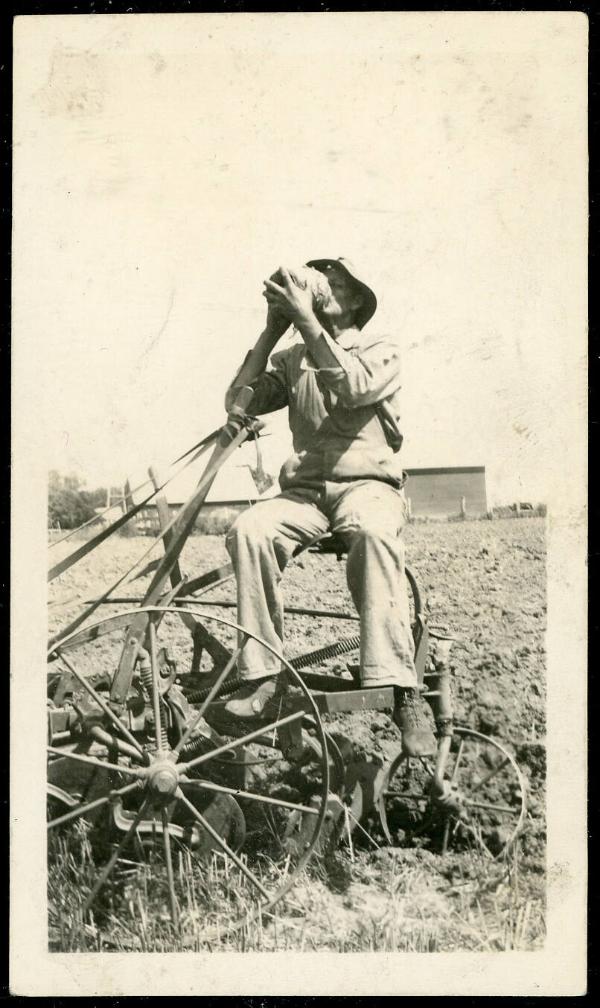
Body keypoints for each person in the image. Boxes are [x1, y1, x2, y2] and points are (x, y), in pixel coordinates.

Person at [211, 258, 435, 756]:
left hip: (367, 485)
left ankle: (401, 689)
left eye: (335, 285)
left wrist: (306, 323)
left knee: (375, 535)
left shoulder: (381, 348)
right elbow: (238, 401)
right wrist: (272, 331)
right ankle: (263, 677)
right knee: (249, 530)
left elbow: (353, 385)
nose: (322, 290)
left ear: (357, 300)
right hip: (306, 491)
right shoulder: (294, 358)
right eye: (319, 284)